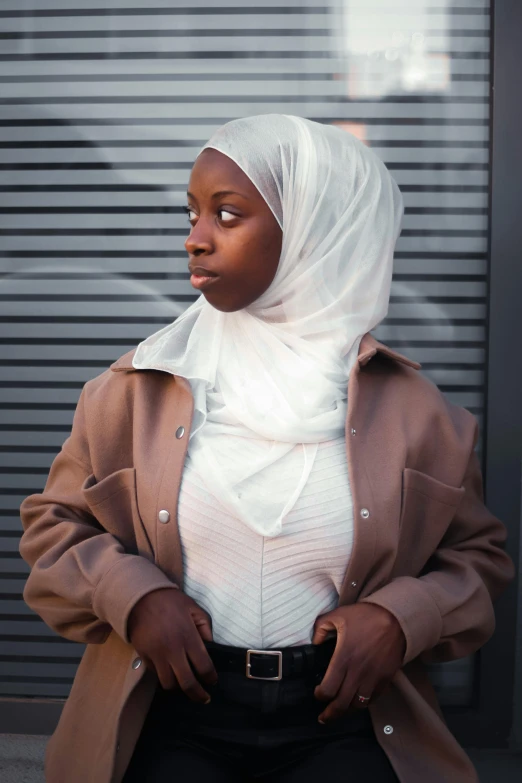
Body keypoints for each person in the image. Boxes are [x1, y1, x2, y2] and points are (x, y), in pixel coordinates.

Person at [19, 114, 514, 783]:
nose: (194, 240)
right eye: (191, 214)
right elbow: (52, 527)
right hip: (169, 709)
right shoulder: (134, 391)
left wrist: (401, 620)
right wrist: (133, 598)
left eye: (227, 214)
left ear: (314, 231)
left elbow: (477, 560)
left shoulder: (419, 414)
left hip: (346, 718)